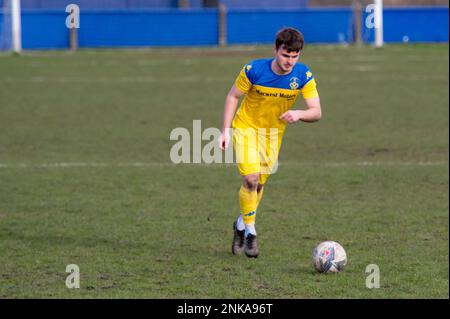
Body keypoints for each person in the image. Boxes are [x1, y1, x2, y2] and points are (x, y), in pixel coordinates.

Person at [218, 27, 322, 258]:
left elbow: (316, 112)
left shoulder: (303, 75)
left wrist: (299, 114)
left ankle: (241, 224)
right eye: (286, 55)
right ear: (276, 50)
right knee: (250, 178)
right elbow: (233, 96)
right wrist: (225, 131)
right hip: (245, 128)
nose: (290, 61)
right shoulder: (253, 70)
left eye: (295, 56)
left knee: (259, 185)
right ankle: (252, 233)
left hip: (273, 135)